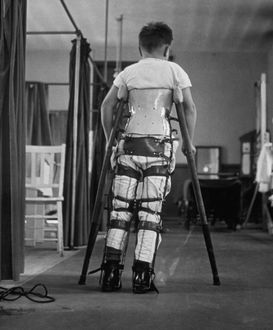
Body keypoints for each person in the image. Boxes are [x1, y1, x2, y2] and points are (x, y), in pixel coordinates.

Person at [100, 21, 196, 294]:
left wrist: (110, 139)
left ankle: (110, 274)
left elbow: (107, 106)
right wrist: (190, 142)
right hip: (160, 148)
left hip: (128, 148)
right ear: (168, 47)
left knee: (119, 212)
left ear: (139, 47)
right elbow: (189, 108)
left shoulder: (129, 73)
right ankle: (142, 276)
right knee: (150, 214)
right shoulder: (174, 70)